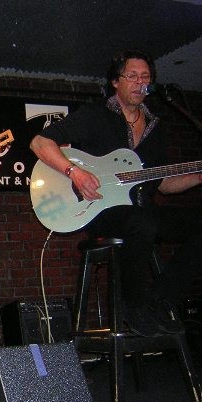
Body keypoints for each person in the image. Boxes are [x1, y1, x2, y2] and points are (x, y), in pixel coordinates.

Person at [30, 49, 202, 337]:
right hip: (100, 210)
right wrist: (75, 172)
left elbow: (161, 183)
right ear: (115, 82)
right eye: (132, 76)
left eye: (145, 77)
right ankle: (131, 307)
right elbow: (39, 142)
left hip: (141, 209)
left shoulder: (156, 127)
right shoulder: (95, 115)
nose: (140, 82)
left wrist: (198, 176)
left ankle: (158, 301)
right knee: (141, 222)